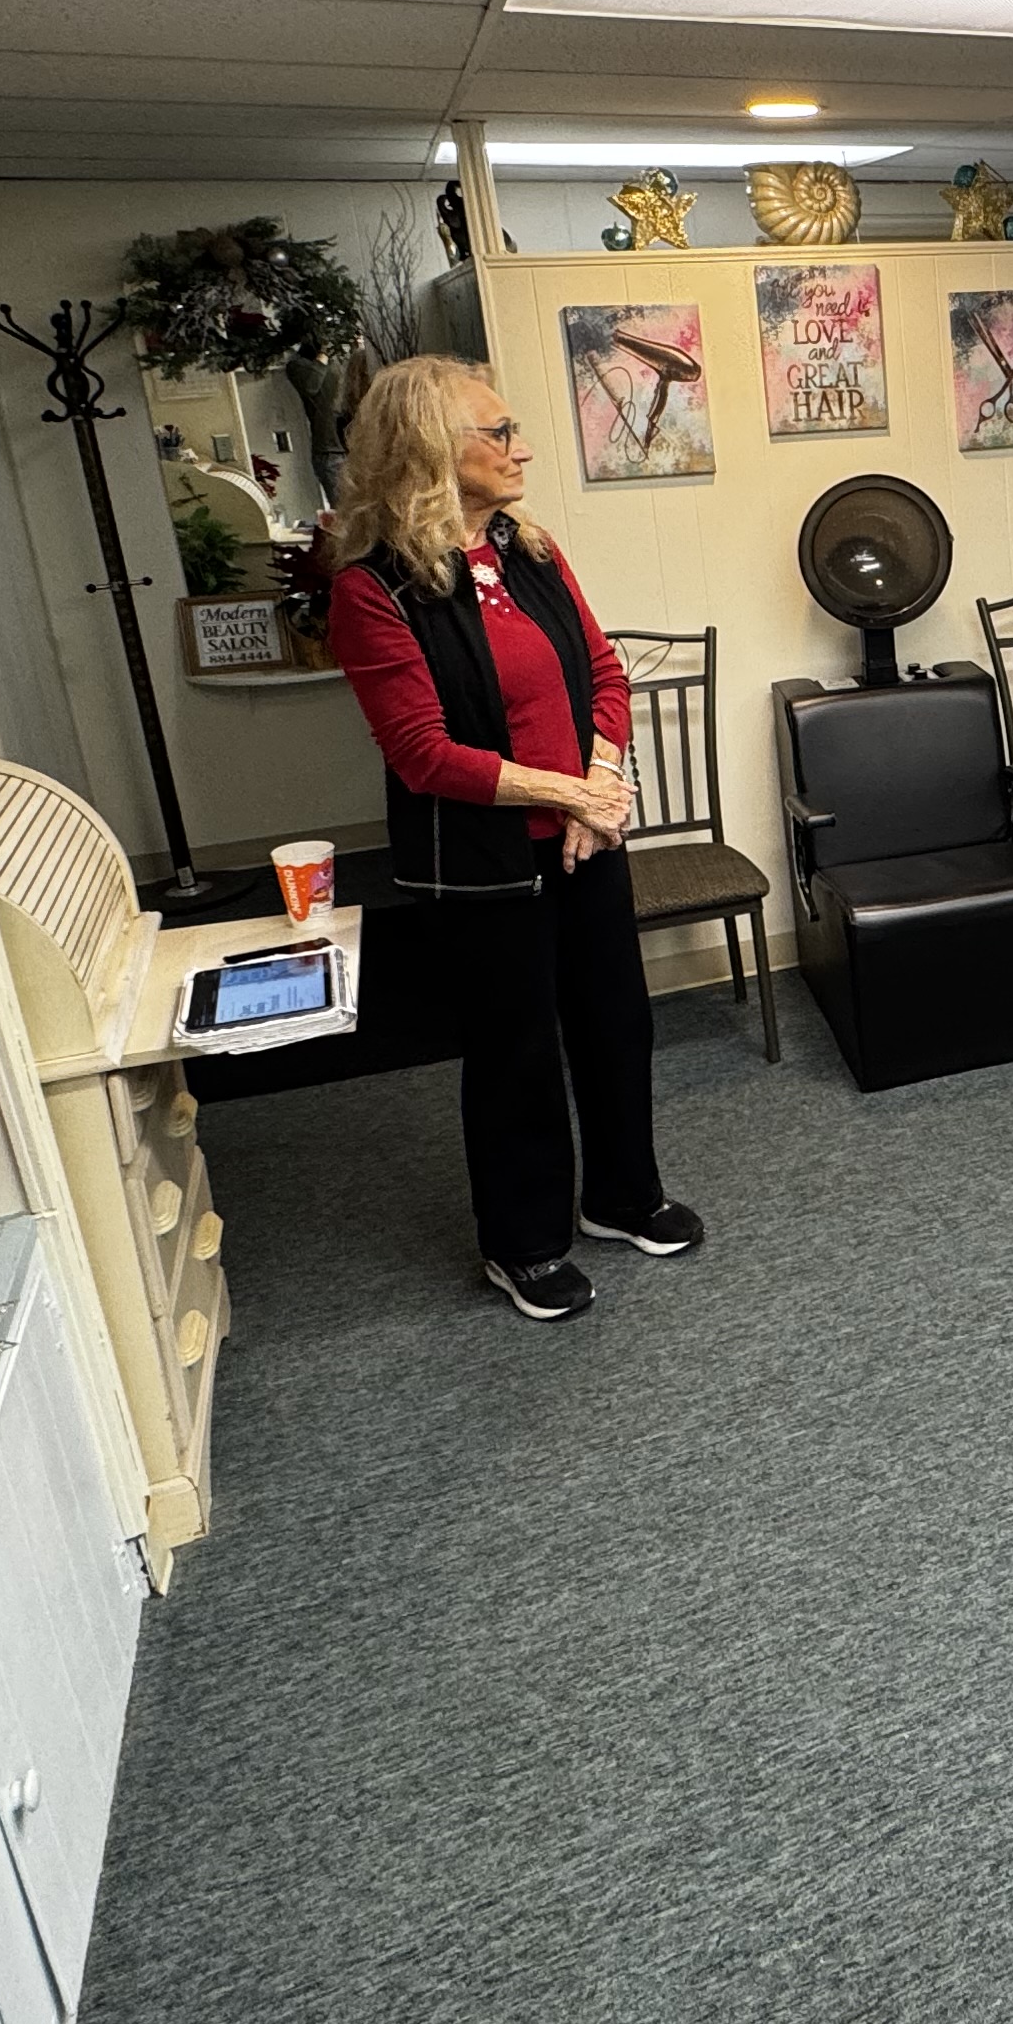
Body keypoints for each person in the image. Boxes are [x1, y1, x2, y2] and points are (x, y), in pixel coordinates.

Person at [324, 355, 702, 1320]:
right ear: (429, 450)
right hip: (486, 865)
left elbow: (605, 674)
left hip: (582, 838)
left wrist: (601, 785)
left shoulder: (530, 552)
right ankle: (523, 1243)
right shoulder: (375, 593)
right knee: (517, 1051)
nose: (520, 446)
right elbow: (423, 754)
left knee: (618, 1023)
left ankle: (622, 1197)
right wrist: (571, 793)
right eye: (497, 432)